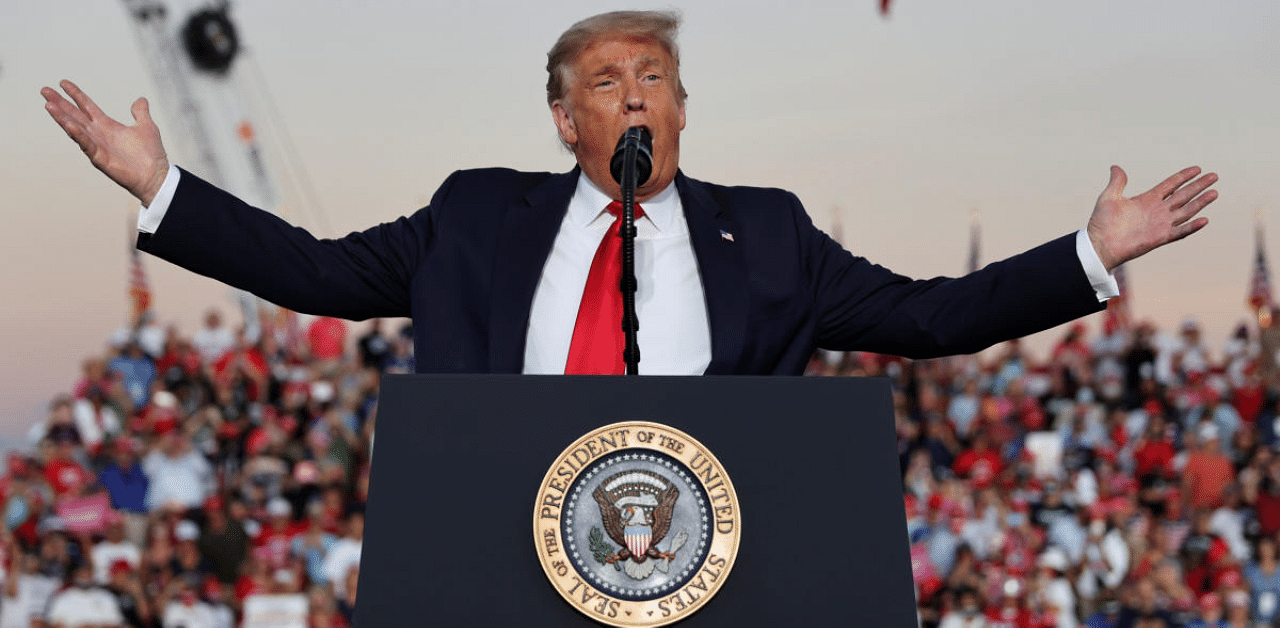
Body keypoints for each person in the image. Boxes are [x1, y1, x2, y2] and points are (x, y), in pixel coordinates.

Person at [40, 11, 1218, 376]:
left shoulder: (767, 232)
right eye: (606, 80)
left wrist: (1086, 251)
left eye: (655, 75)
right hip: (502, 548)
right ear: (564, 120)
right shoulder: (472, 215)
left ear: (684, 108)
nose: (635, 92)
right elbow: (317, 273)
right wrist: (166, 187)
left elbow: (929, 318)